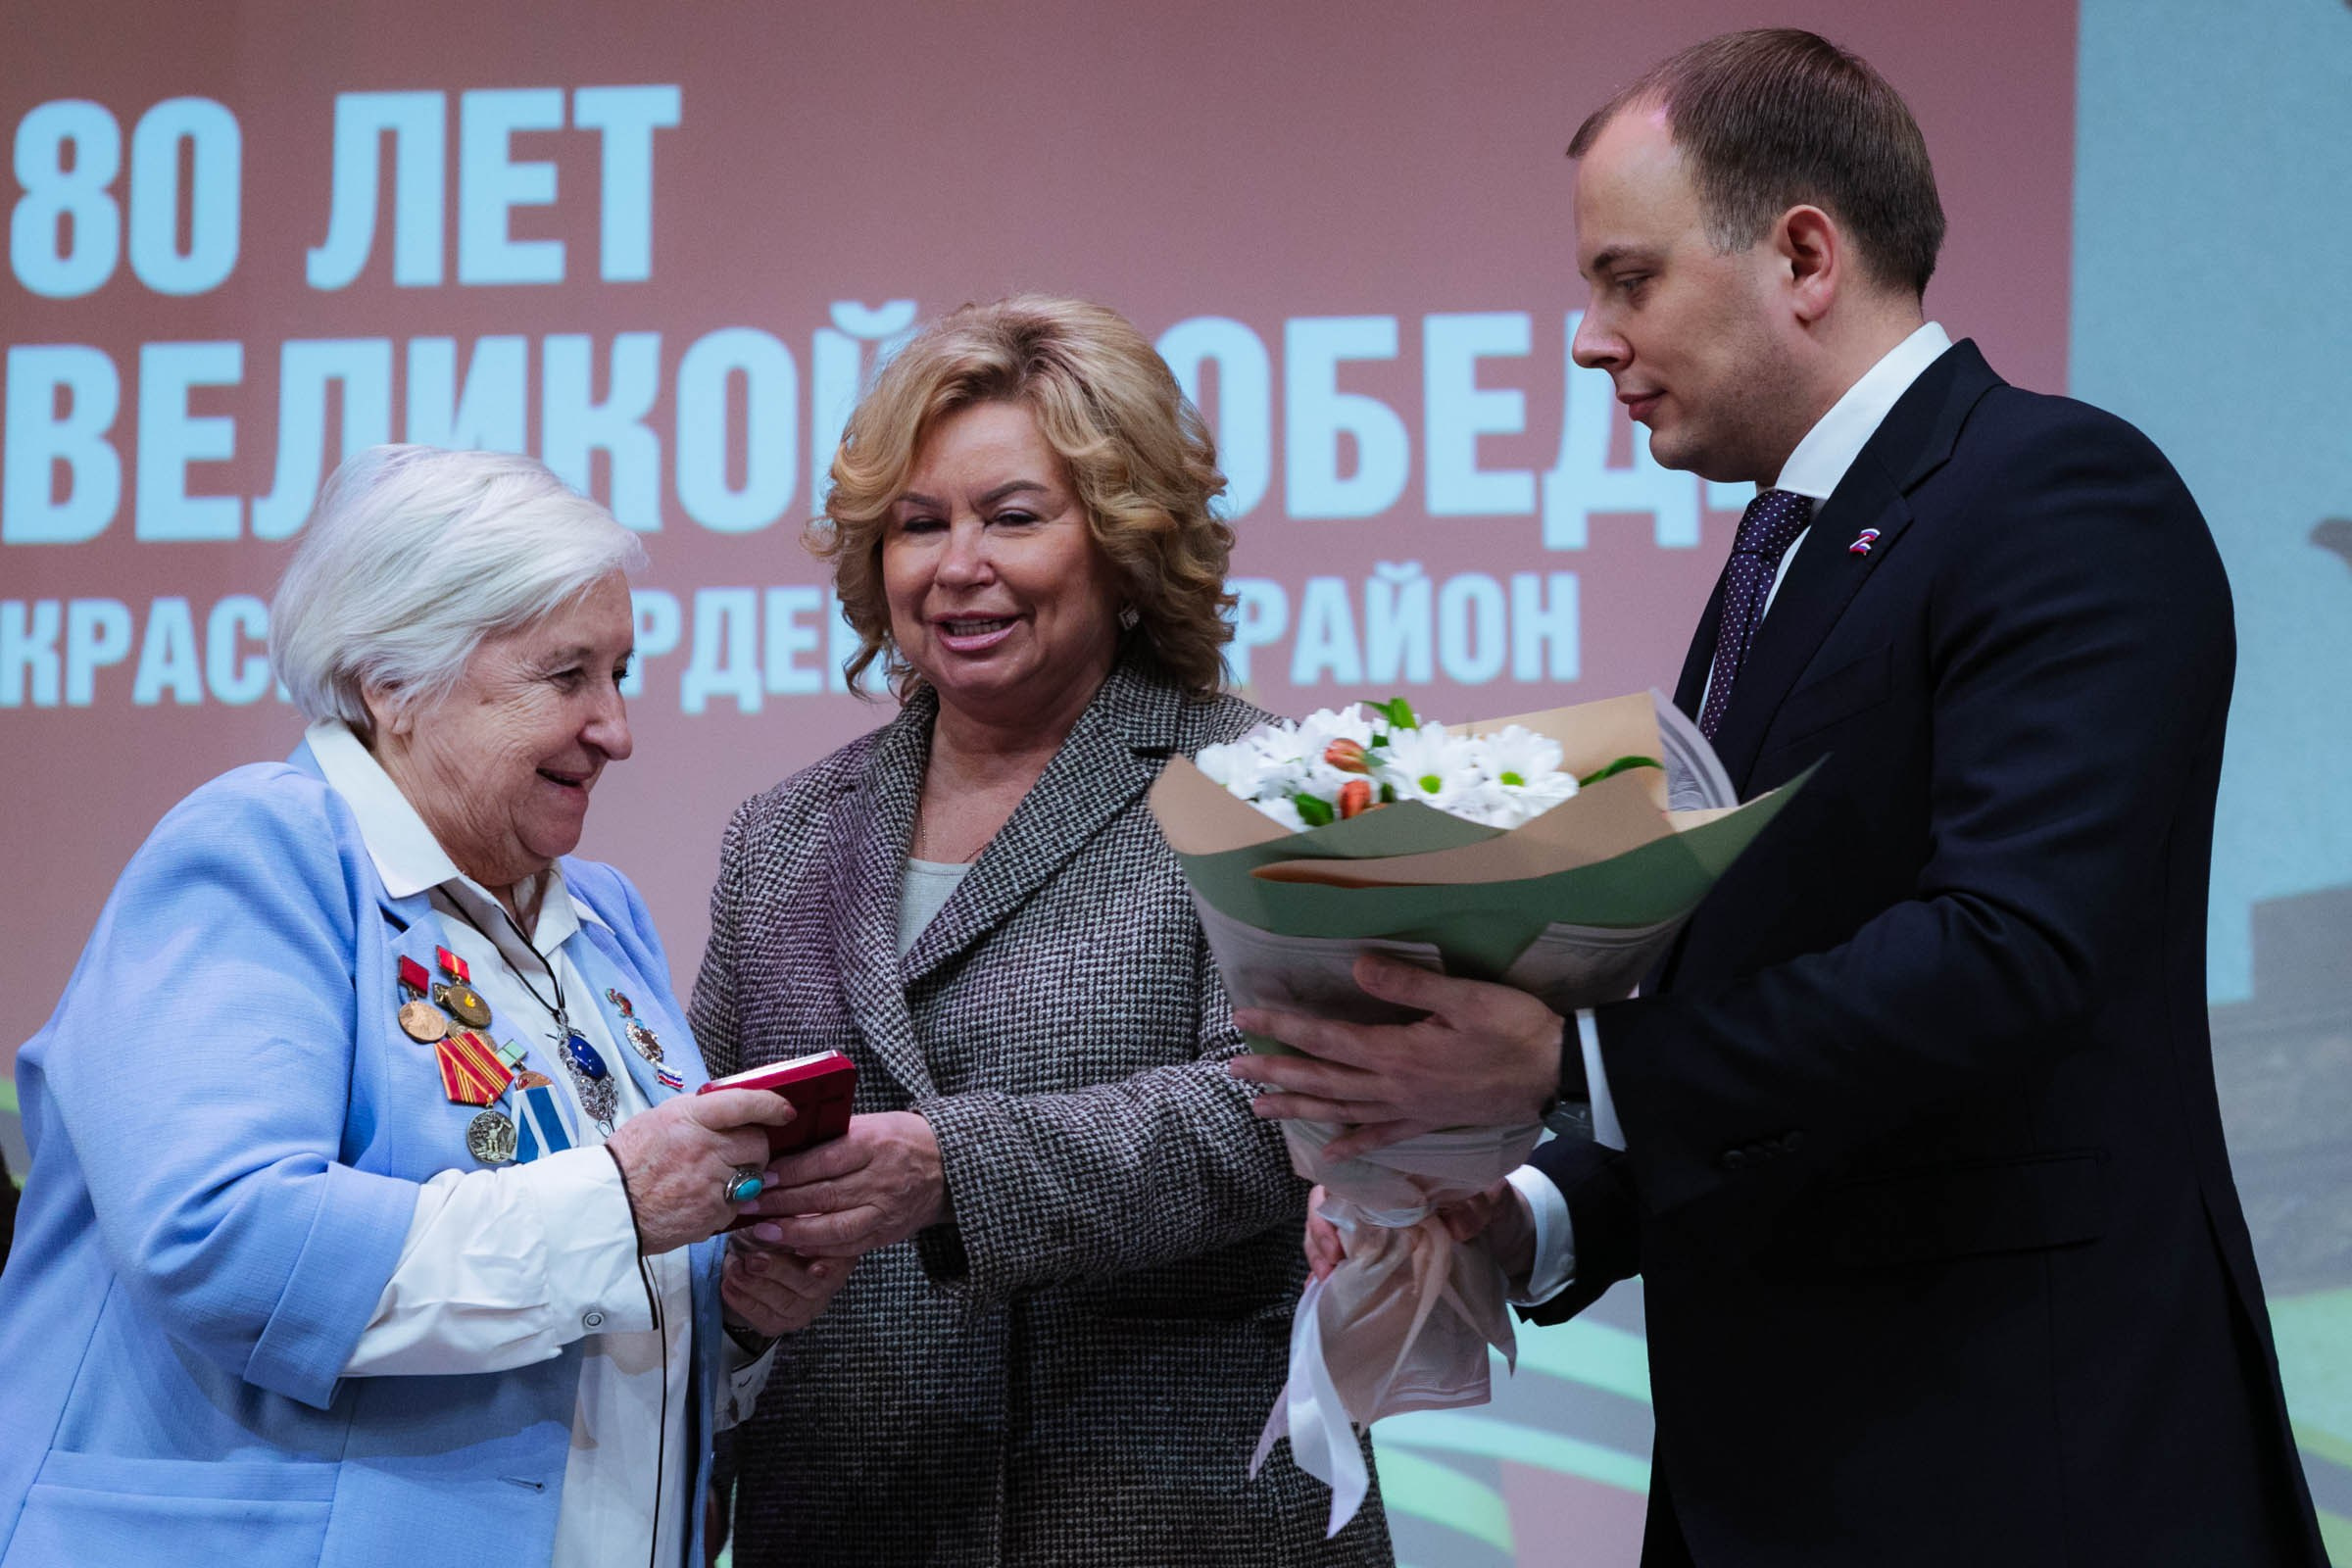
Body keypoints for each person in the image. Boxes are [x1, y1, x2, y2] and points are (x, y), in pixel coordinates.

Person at [1233, 28, 2327, 1567]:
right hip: (1796, 1479)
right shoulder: (1787, 551)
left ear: (1805, 255)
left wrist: (1564, 1059)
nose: (1589, 342)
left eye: (1628, 280)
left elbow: (2009, 955)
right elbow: (1763, 1016)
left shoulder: (2060, 497)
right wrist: (1528, 1213)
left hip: (2022, 1476)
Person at [0, 446, 850, 1568]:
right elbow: (216, 1232)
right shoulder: (262, 848)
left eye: (620, 674)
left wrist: (735, 1310)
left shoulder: (605, 916)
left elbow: (602, 1310)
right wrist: (618, 1204)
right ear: (391, 682)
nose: (617, 729)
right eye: (566, 676)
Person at [689, 297, 1394, 1566]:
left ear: (1126, 540)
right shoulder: (777, 836)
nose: (958, 564)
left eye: (1013, 517)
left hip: (1165, 1516)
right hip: (850, 1515)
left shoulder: (1268, 781)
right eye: (919, 524)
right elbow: (708, 1158)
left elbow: (1285, 1109)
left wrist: (955, 1170)